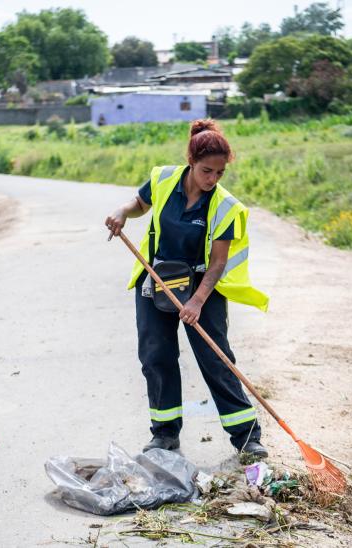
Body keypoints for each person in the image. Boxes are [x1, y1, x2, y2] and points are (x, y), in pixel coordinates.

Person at [105, 119, 270, 458]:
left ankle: (247, 437)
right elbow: (139, 203)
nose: (212, 179)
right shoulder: (164, 179)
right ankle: (165, 435)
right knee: (156, 356)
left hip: (201, 286)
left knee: (216, 358)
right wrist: (122, 211)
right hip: (159, 280)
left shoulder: (224, 206)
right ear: (191, 162)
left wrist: (196, 301)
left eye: (220, 173)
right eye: (207, 170)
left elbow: (218, 263)